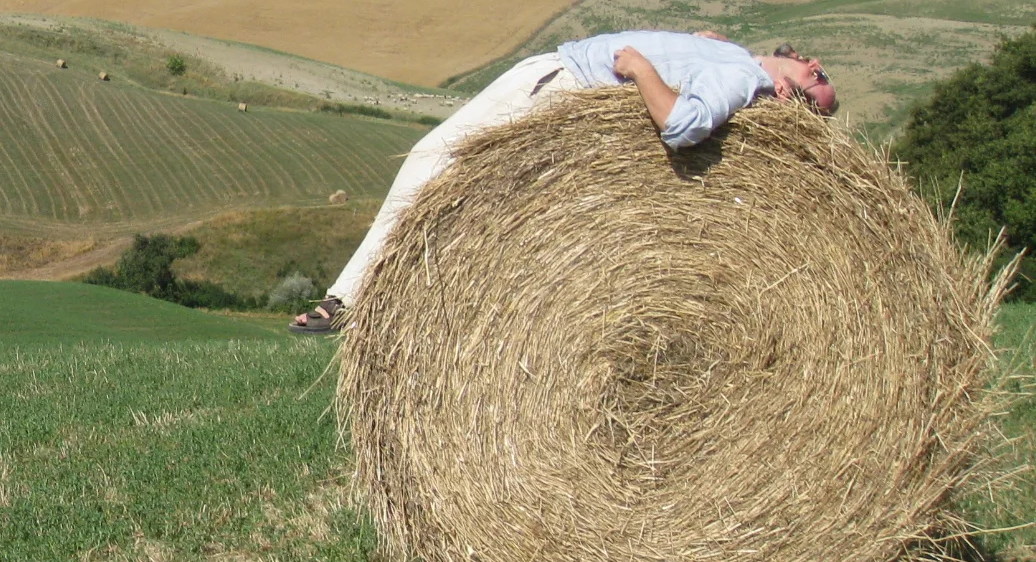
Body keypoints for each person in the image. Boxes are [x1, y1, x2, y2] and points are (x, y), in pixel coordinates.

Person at [288, 30, 837, 334]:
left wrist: (643, 68)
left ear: (791, 99)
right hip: (564, 90)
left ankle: (349, 300)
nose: (816, 71)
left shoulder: (743, 75)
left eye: (817, 92)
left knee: (432, 163)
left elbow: (682, 125)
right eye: (819, 74)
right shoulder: (736, 60)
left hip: (558, 85)